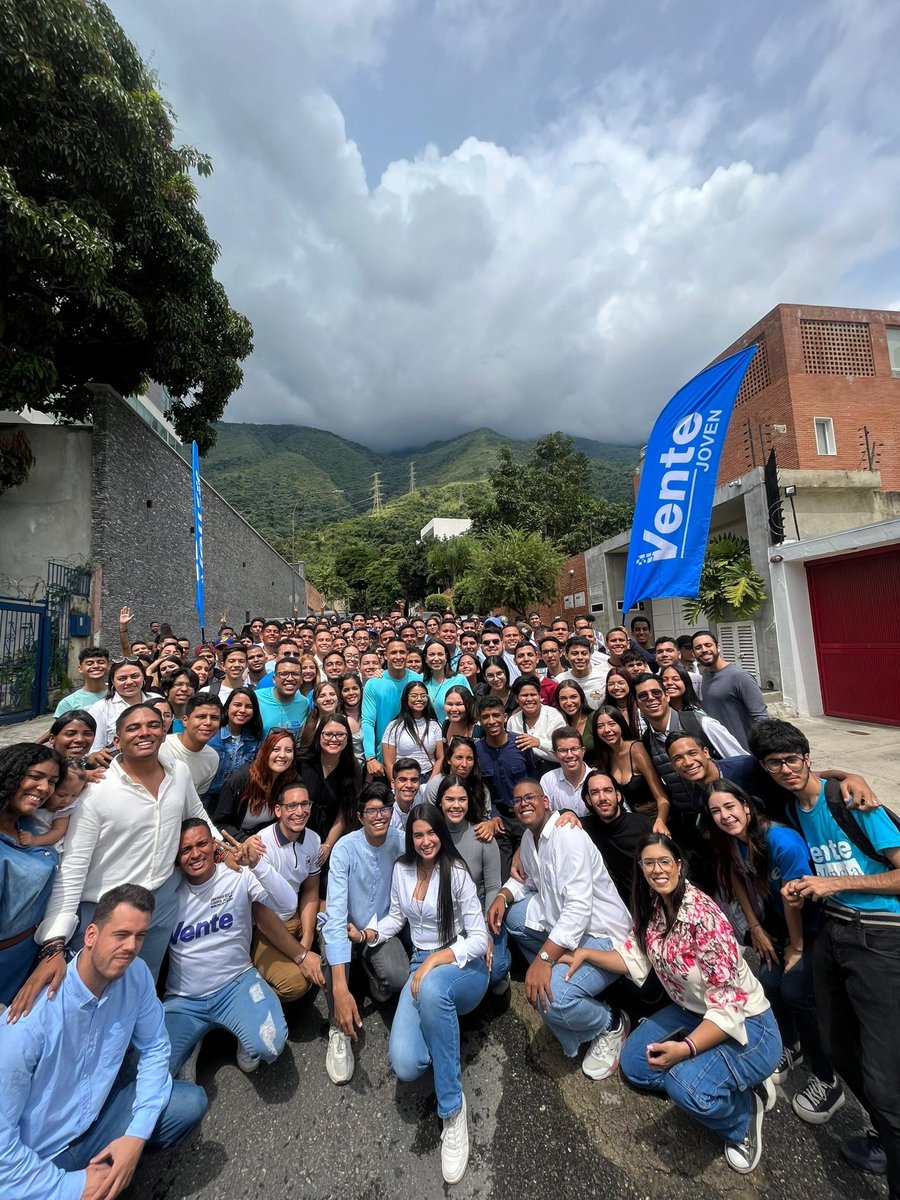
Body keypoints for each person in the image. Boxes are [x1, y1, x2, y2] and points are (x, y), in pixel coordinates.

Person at [567, 834, 782, 1175]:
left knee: (683, 1084)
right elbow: (636, 958)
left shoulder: (703, 917)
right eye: (649, 863)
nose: (657, 869)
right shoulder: (654, 906)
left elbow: (728, 1006)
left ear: (679, 866)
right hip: (693, 1012)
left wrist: (686, 1051)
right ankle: (719, 1080)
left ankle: (742, 1116)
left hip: (746, 1025)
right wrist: (585, 953)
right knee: (636, 1066)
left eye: (664, 861)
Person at [749, 719, 900, 1190]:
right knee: (837, 1044)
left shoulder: (852, 801)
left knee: (884, 1072)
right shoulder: (796, 808)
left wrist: (836, 882)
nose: (784, 769)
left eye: (792, 759)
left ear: (807, 757)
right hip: (835, 930)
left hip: (881, 932)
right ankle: (883, 1132)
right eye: (774, 764)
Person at [0, 884, 207, 1199]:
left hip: (100, 1119)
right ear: (91, 935)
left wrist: (135, 1139)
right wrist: (75, 1187)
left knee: (189, 1104)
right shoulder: (28, 1025)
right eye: (121, 935)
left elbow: (154, 1047)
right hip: (44, 1154)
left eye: (140, 936)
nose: (131, 947)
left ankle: (116, 1166)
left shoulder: (134, 975)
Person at [19, 704, 216, 1000]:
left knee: (142, 987)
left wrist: (221, 848)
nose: (144, 732)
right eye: (133, 728)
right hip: (102, 909)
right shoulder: (95, 791)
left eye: (152, 725)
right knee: (87, 997)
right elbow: (74, 867)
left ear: (165, 732)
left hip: (160, 900)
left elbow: (196, 811)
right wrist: (54, 941)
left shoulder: (180, 773)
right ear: (118, 739)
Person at [701, 779, 844, 1124]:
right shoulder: (731, 840)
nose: (724, 816)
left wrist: (795, 947)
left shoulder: (781, 841)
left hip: (814, 926)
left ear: (746, 806)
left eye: (730, 807)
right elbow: (735, 874)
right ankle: (791, 1046)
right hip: (777, 926)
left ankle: (828, 1078)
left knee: (795, 990)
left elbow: (793, 899)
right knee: (768, 982)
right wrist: (755, 927)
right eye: (716, 811)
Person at [368, 803, 489, 1184]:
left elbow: (480, 937)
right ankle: (443, 1028)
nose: (425, 841)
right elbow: (397, 917)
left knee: (434, 987)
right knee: (406, 1064)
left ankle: (451, 1109)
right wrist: (372, 933)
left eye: (431, 833)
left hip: (461, 962)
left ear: (441, 832)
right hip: (424, 961)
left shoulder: (456, 874)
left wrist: (436, 960)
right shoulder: (403, 870)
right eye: (418, 835)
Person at [487, 779, 633, 1079]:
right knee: (513, 917)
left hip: (602, 935)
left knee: (552, 1001)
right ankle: (556, 976)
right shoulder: (530, 839)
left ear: (546, 802)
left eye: (530, 797)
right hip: (566, 929)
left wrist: (543, 960)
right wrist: (503, 895)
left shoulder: (568, 836)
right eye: (517, 800)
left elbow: (579, 907)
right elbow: (526, 881)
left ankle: (611, 1023)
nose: (524, 803)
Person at [163, 820, 294, 1078]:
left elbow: (288, 905)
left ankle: (244, 1031)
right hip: (184, 998)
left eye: (202, 844)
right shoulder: (169, 894)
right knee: (157, 1071)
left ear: (214, 845)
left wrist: (257, 865)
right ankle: (192, 1043)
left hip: (236, 984)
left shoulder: (237, 876)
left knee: (271, 1045)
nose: (196, 854)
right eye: (186, 849)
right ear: (176, 858)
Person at [321, 782, 409, 1086]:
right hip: (345, 925)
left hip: (379, 928)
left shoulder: (401, 841)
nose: (379, 816)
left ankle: (370, 971)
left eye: (384, 809)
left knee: (397, 977)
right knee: (331, 951)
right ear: (360, 816)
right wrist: (340, 991)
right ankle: (338, 1027)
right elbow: (334, 913)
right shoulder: (345, 847)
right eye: (371, 810)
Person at [0, 746, 65, 1003]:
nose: (44, 788)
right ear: (10, 774)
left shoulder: (25, 822)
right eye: (35, 776)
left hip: (29, 955)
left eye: (52, 781)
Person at [436, 776, 510, 994]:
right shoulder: (430, 835)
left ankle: (504, 955)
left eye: (462, 799)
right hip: (444, 909)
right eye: (450, 799)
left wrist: (485, 933)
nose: (456, 806)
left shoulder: (482, 835)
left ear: (469, 802)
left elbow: (493, 888)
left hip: (479, 904)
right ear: (440, 801)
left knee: (494, 971)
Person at [475, 696, 535, 877]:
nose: (491, 721)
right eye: (486, 717)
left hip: (525, 816)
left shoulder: (521, 744)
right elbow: (480, 789)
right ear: (480, 720)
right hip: (499, 819)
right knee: (503, 874)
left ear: (505, 717)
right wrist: (492, 815)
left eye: (496, 715)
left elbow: (533, 779)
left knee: (531, 871)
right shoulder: (476, 751)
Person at [298, 714, 362, 872]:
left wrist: (327, 845)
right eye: (328, 734)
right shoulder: (301, 761)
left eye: (340, 734)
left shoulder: (353, 769)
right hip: (297, 832)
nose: (334, 739)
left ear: (348, 738)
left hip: (329, 837)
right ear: (319, 735)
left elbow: (344, 813)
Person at [592, 706, 670, 831]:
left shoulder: (636, 750)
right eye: (600, 726)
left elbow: (662, 798)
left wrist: (660, 822)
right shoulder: (605, 755)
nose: (606, 730)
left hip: (657, 818)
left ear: (621, 725)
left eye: (612, 724)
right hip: (632, 821)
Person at [579, 771, 651, 903]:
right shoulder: (585, 827)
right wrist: (567, 812)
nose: (602, 798)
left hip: (652, 898)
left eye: (607, 790)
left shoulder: (643, 825)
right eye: (595, 793)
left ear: (618, 795)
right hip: (618, 906)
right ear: (588, 800)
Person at [213, 729, 297, 841]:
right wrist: (245, 840)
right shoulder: (240, 780)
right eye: (275, 749)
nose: (282, 755)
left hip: (267, 840)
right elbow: (220, 823)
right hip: (237, 841)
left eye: (288, 750)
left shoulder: (291, 782)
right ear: (265, 752)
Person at [691, 631, 768, 751]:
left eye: (708, 645)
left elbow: (761, 719)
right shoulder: (705, 675)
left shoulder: (741, 677)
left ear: (718, 648)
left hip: (745, 752)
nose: (704, 650)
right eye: (698, 647)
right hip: (721, 750)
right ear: (693, 653)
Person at [361, 639, 421, 777]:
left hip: (415, 758)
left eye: (402, 652)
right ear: (386, 656)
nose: (398, 657)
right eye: (393, 652)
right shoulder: (374, 683)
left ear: (407, 654)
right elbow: (368, 722)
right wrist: (370, 757)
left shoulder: (418, 680)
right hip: (383, 760)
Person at [205, 687, 263, 810]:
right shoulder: (210, 735)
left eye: (248, 706)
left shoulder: (255, 740)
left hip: (237, 804)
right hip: (208, 802)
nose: (242, 710)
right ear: (227, 707)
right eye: (237, 705)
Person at [159, 694, 222, 798]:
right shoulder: (161, 747)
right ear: (185, 720)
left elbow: (196, 799)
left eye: (214, 718)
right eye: (201, 717)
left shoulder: (212, 758)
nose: (208, 722)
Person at [382, 681, 443, 784]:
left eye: (423, 696)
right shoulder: (394, 726)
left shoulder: (435, 725)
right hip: (403, 779)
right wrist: (394, 784)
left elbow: (441, 757)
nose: (419, 699)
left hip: (429, 776)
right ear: (406, 699)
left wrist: (431, 784)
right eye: (414, 696)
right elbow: (388, 763)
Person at [88, 659, 152, 754]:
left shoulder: (156, 701)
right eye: (122, 678)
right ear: (112, 681)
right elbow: (95, 750)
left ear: (143, 677)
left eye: (135, 676)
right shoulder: (100, 708)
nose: (129, 682)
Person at [18, 761, 87, 851]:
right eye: (61, 795)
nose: (67, 801)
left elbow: (58, 831)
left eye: (74, 795)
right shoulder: (32, 801)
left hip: (43, 846)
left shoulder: (61, 811)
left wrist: (35, 840)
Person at [507, 674, 566, 773]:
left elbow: (564, 751)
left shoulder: (554, 716)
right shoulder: (513, 721)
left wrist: (539, 743)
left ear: (539, 696)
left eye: (533, 695)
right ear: (517, 699)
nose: (529, 699)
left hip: (555, 771)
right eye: (524, 695)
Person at [541, 727, 593, 816]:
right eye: (563, 750)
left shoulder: (598, 778)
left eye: (575, 749)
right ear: (555, 755)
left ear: (583, 751)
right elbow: (545, 815)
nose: (569, 755)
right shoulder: (548, 779)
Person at [255, 658, 311, 736]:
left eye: (295, 674)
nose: (290, 678)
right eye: (284, 674)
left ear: (301, 679)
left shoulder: (304, 703)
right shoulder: (256, 698)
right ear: (274, 679)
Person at [422, 640, 470, 724]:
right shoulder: (421, 681)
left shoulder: (459, 679)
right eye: (432, 655)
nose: (436, 659)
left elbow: (470, 709)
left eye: (440, 654)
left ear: (446, 657)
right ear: (426, 658)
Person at [53, 645, 110, 716]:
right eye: (89, 663)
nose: (96, 666)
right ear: (80, 668)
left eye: (101, 662)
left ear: (108, 666)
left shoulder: (119, 694)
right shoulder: (68, 704)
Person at [558, 635, 609, 708]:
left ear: (590, 655)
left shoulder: (604, 678)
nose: (580, 658)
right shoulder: (559, 680)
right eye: (574, 654)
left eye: (584, 653)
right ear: (566, 655)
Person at [553, 679, 595, 757]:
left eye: (573, 697)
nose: (569, 703)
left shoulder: (594, 718)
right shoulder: (557, 723)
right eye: (563, 698)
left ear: (581, 697)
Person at [602, 668, 641, 736]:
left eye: (621, 683)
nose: (616, 687)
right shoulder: (604, 711)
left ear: (629, 684)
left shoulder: (641, 708)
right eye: (611, 684)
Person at [161, 668, 199, 733]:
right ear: (166, 690)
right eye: (178, 684)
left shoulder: (198, 719)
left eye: (190, 685)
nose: (184, 689)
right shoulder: (158, 718)